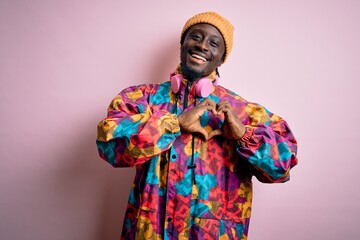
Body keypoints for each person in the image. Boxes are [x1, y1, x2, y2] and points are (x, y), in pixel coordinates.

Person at [96, 11, 298, 240]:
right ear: (183, 44)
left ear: (222, 58)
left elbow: (283, 167)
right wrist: (174, 123)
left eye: (214, 43)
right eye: (196, 37)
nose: (202, 46)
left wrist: (243, 134)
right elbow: (109, 146)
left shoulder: (242, 111)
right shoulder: (142, 99)